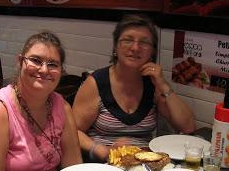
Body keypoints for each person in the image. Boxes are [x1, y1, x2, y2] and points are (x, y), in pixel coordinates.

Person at [0, 31, 82, 171]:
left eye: (53, 64)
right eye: (36, 60)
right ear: (20, 61)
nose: (44, 69)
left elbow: (74, 170)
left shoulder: (62, 106)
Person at [72, 14, 196, 162]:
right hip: (104, 164)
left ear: (152, 52)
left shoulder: (153, 84)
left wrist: (163, 85)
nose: (135, 47)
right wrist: (101, 150)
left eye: (144, 42)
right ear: (115, 47)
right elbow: (73, 131)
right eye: (128, 40)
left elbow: (188, 126)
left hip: (145, 164)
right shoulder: (96, 83)